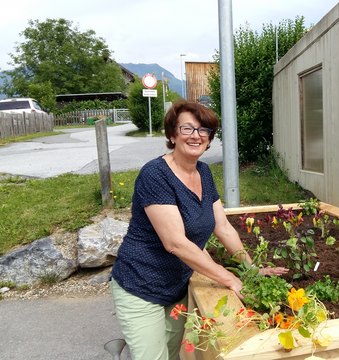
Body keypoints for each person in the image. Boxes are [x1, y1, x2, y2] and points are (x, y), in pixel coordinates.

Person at [110, 101, 287, 360]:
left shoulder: (203, 172)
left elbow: (223, 227)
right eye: (187, 128)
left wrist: (250, 271)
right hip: (140, 285)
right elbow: (175, 243)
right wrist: (229, 278)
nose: (196, 136)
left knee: (171, 354)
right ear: (172, 134)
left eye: (203, 130)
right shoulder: (155, 174)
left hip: (177, 286)